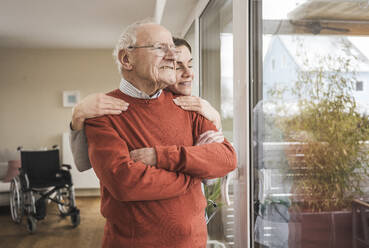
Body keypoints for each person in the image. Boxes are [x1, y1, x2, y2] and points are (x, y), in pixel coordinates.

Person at [83, 20, 237, 248]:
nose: (172, 56)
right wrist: (192, 176)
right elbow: (124, 182)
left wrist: (163, 157)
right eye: (160, 48)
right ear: (127, 59)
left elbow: (226, 158)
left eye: (172, 49)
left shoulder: (188, 106)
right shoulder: (103, 111)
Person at [70, 37, 222, 172]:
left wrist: (216, 120)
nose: (189, 73)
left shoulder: (198, 109)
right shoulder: (111, 106)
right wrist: (77, 116)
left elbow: (212, 173)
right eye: (177, 66)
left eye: (190, 64)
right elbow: (83, 164)